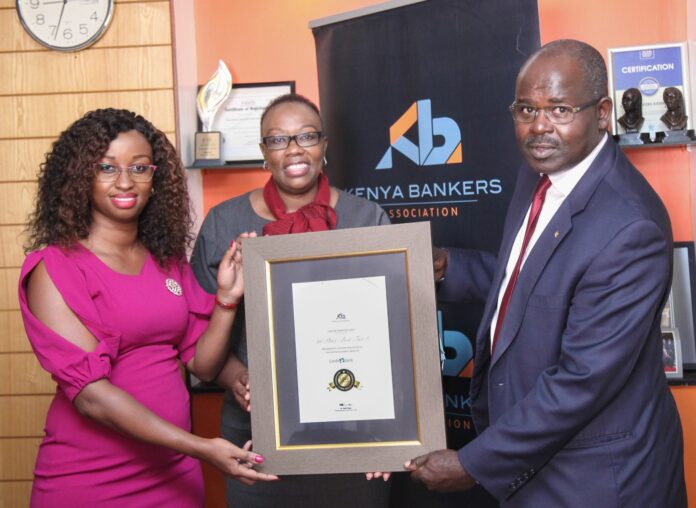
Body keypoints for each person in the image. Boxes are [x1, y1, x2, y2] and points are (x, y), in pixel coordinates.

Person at [409, 40, 687, 507]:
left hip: (595, 479)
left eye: (559, 109)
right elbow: (537, 279)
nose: (539, 127)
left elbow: (583, 380)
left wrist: (473, 463)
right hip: (538, 462)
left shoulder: (630, 227)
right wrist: (451, 268)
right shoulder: (540, 172)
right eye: (526, 109)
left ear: (602, 113)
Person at [19, 108, 276, 507]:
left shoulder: (166, 259)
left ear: (156, 178)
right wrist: (199, 446)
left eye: (139, 168)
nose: (125, 181)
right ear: (80, 177)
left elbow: (203, 365)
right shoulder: (55, 267)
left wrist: (228, 297)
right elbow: (91, 396)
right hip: (89, 478)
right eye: (107, 167)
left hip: (174, 472)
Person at [191, 93, 390, 508]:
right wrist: (236, 378)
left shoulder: (366, 218)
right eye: (278, 140)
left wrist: (395, 430)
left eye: (306, 136)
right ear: (263, 152)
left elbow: (392, 329)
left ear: (324, 146)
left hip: (355, 427)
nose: (294, 149)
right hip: (257, 432)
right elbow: (198, 335)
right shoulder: (224, 223)